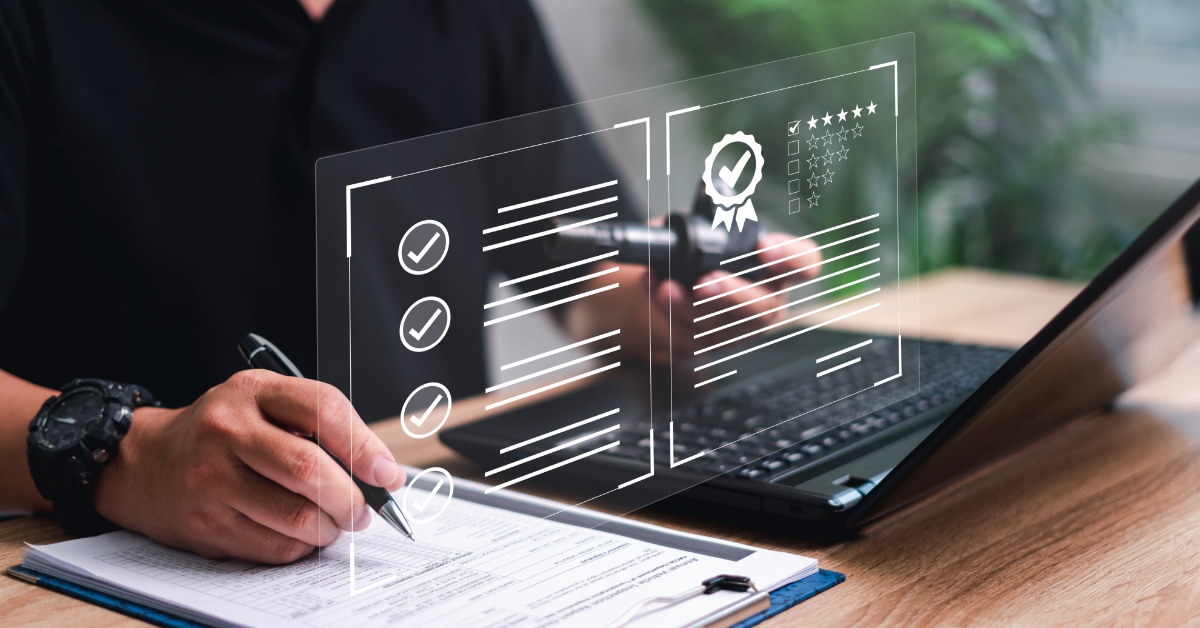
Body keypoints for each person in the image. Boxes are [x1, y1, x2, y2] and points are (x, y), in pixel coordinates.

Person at [0, 0, 819, 564]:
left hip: (431, 533)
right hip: (99, 569)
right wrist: (122, 454)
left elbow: (579, 274)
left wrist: (662, 315)